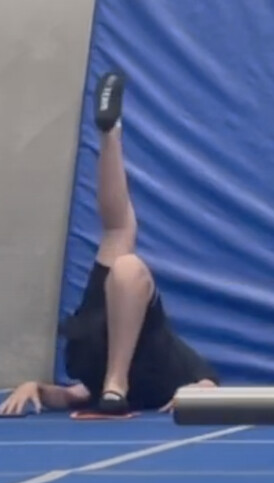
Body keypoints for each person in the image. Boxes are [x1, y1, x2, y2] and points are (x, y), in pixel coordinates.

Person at [0, 71, 218, 418]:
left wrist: (37, 388)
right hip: (119, 354)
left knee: (119, 236)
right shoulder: (170, 365)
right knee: (124, 253)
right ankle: (116, 383)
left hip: (96, 350)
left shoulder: (134, 371)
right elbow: (208, 383)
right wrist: (200, 390)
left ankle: (110, 135)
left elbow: (72, 395)